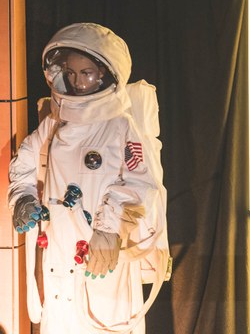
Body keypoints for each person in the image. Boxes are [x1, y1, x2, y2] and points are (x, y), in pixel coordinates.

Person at [8, 23, 164, 333]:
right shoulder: (55, 121)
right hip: (58, 253)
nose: (78, 82)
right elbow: (23, 161)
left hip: (101, 248)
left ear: (105, 74)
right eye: (71, 73)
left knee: (103, 321)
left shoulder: (120, 126)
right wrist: (22, 197)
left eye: (87, 73)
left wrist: (108, 229)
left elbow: (140, 184)